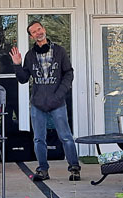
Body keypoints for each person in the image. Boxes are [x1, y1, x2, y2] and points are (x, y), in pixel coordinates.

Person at [10, 21, 81, 182]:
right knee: (38, 138)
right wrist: (17, 64)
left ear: (44, 29)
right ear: (31, 36)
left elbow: (68, 74)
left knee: (66, 137)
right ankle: (42, 169)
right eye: (34, 32)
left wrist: (59, 95)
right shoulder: (30, 55)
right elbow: (23, 79)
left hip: (57, 102)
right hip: (38, 103)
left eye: (39, 29)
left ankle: (74, 168)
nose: (38, 33)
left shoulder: (60, 51)